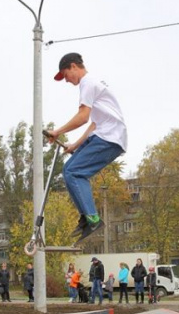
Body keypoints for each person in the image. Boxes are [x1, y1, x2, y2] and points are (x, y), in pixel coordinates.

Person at [47, 52, 127, 242]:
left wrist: (58, 131)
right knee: (69, 170)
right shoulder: (94, 84)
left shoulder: (87, 83)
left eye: (65, 75)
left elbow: (83, 117)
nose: (66, 81)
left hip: (109, 137)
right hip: (105, 134)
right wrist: (75, 144)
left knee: (74, 172)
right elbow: (94, 123)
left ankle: (92, 218)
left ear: (73, 66)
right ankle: (86, 217)